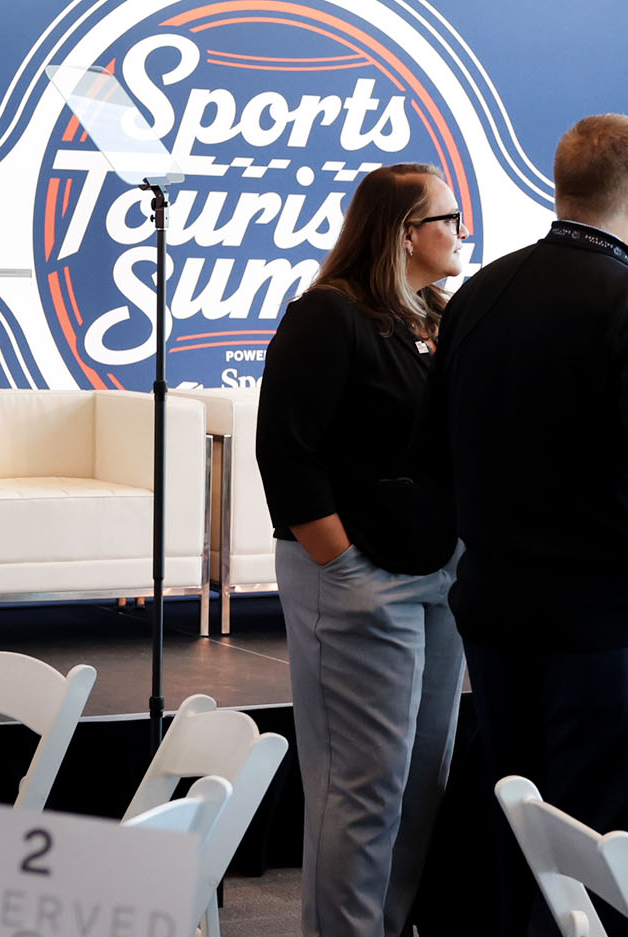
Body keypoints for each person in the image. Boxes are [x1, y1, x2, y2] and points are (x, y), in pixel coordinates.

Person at [419, 113, 628, 936]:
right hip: (604, 625)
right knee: (604, 846)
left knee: (519, 826)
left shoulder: (478, 295)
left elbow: (437, 448)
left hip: (496, 612)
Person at [257, 163, 469, 937]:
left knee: (421, 779)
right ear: (404, 232)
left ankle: (387, 924)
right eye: (448, 218)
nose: (461, 232)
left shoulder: (439, 317)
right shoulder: (328, 314)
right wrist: (342, 564)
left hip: (440, 576)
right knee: (363, 784)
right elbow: (287, 453)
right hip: (360, 579)